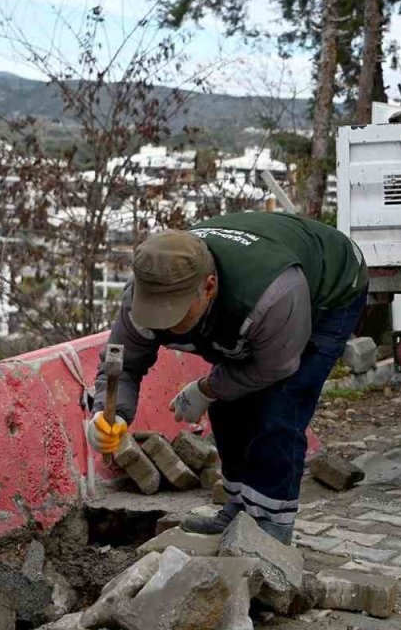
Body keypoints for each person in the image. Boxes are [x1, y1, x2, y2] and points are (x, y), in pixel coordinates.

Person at [86, 212, 367, 544]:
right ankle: (238, 509)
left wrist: (207, 388)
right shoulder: (145, 291)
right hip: (247, 305)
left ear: (208, 286)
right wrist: (109, 414)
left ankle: (269, 533)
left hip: (331, 290)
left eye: (175, 312)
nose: (165, 324)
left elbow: (274, 368)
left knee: (280, 408)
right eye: (156, 312)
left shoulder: (272, 294)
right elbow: (124, 363)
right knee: (228, 406)